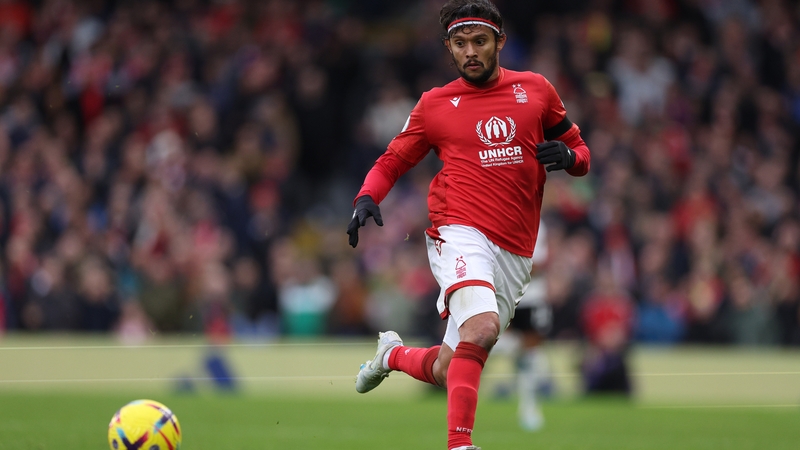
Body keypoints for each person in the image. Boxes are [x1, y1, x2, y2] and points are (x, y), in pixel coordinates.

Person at [346, 1, 591, 449]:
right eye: (460, 43)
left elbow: (581, 152)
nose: (470, 52)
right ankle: (460, 444)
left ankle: (392, 355)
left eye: (480, 41)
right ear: (449, 47)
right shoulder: (435, 104)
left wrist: (569, 156)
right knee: (481, 328)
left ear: (500, 41)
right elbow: (393, 159)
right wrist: (366, 196)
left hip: (516, 249)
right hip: (458, 231)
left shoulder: (536, 90)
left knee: (449, 366)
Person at [506, 220, 553, 431]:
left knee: (530, 350)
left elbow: (538, 263)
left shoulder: (535, 221)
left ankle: (529, 406)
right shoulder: (499, 214)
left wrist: (507, 270)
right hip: (502, 294)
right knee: (487, 341)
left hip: (530, 296)